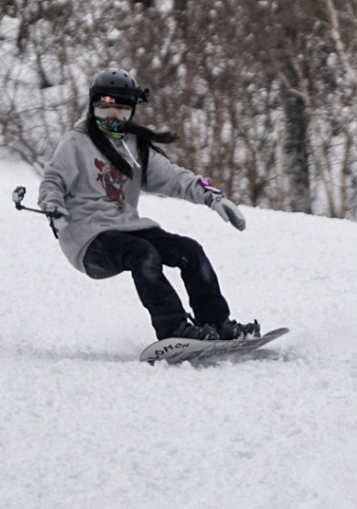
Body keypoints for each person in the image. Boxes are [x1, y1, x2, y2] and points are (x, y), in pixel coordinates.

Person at [37, 67, 260, 342]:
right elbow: (53, 181)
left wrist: (212, 196)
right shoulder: (76, 142)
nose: (112, 119)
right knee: (143, 254)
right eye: (104, 110)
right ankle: (173, 329)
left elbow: (174, 177)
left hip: (126, 227)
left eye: (121, 112)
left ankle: (216, 322)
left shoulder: (135, 146)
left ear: (132, 111)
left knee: (189, 251)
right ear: (92, 106)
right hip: (87, 236)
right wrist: (52, 206)